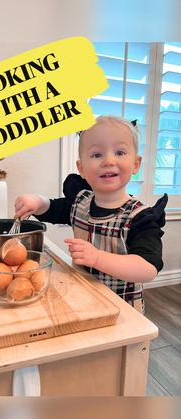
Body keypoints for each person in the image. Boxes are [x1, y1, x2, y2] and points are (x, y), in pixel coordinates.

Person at [14, 115, 168, 313]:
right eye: (97, 155)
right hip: (85, 299)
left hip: (122, 311)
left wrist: (97, 258)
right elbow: (52, 209)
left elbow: (148, 268)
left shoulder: (140, 217)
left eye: (120, 152)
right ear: (82, 168)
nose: (109, 161)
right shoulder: (80, 202)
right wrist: (37, 201)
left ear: (136, 164)